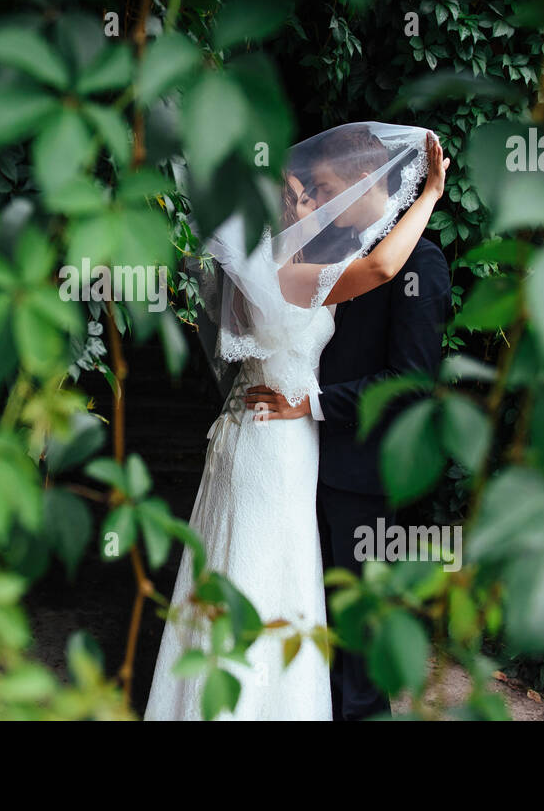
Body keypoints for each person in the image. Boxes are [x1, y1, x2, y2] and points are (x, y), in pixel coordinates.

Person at [144, 122, 450, 720]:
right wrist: (431, 192)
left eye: (328, 189)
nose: (324, 204)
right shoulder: (286, 267)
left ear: (365, 182)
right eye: (313, 194)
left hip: (316, 455)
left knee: (308, 604)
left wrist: (310, 403)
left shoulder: (411, 262)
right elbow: (376, 274)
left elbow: (410, 382)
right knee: (268, 581)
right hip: (277, 450)